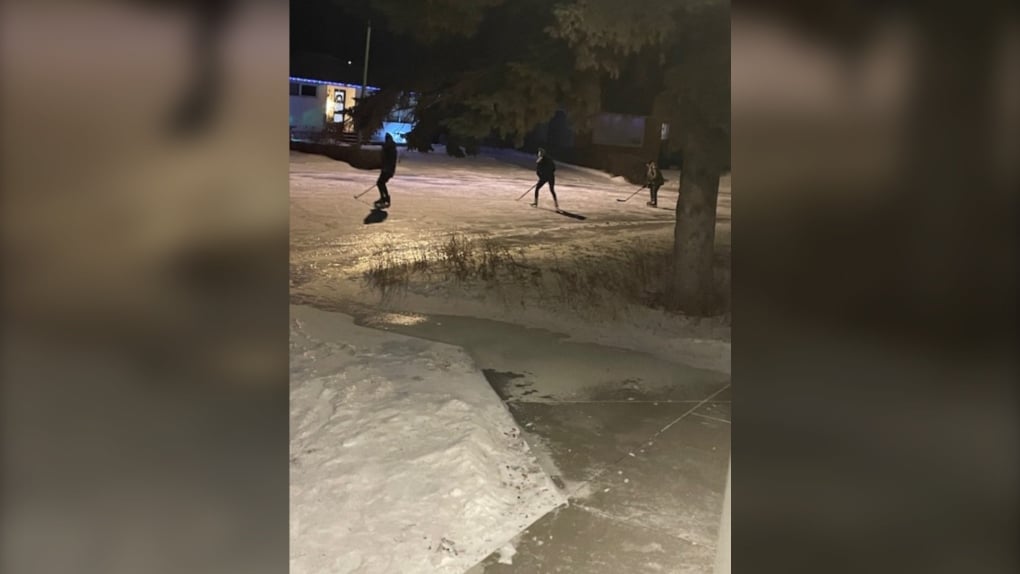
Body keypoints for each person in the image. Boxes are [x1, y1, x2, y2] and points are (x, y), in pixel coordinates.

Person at [375, 134, 398, 208]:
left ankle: (385, 198)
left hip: (387, 170)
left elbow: (389, 160)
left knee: (380, 183)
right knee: (380, 183)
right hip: (387, 169)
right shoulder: (390, 148)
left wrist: (386, 168)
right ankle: (384, 198)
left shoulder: (389, 149)